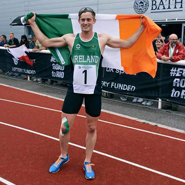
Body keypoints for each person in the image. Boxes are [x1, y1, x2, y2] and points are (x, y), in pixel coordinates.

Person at [27, 7, 145, 180]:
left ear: (94, 21)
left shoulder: (102, 39)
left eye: (89, 20)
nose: (86, 23)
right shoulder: (70, 39)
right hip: (74, 89)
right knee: (64, 126)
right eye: (83, 20)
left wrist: (142, 27)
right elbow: (46, 42)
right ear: (79, 21)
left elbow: (127, 44)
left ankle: (87, 161)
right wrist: (32, 24)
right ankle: (63, 155)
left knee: (91, 127)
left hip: (94, 90)